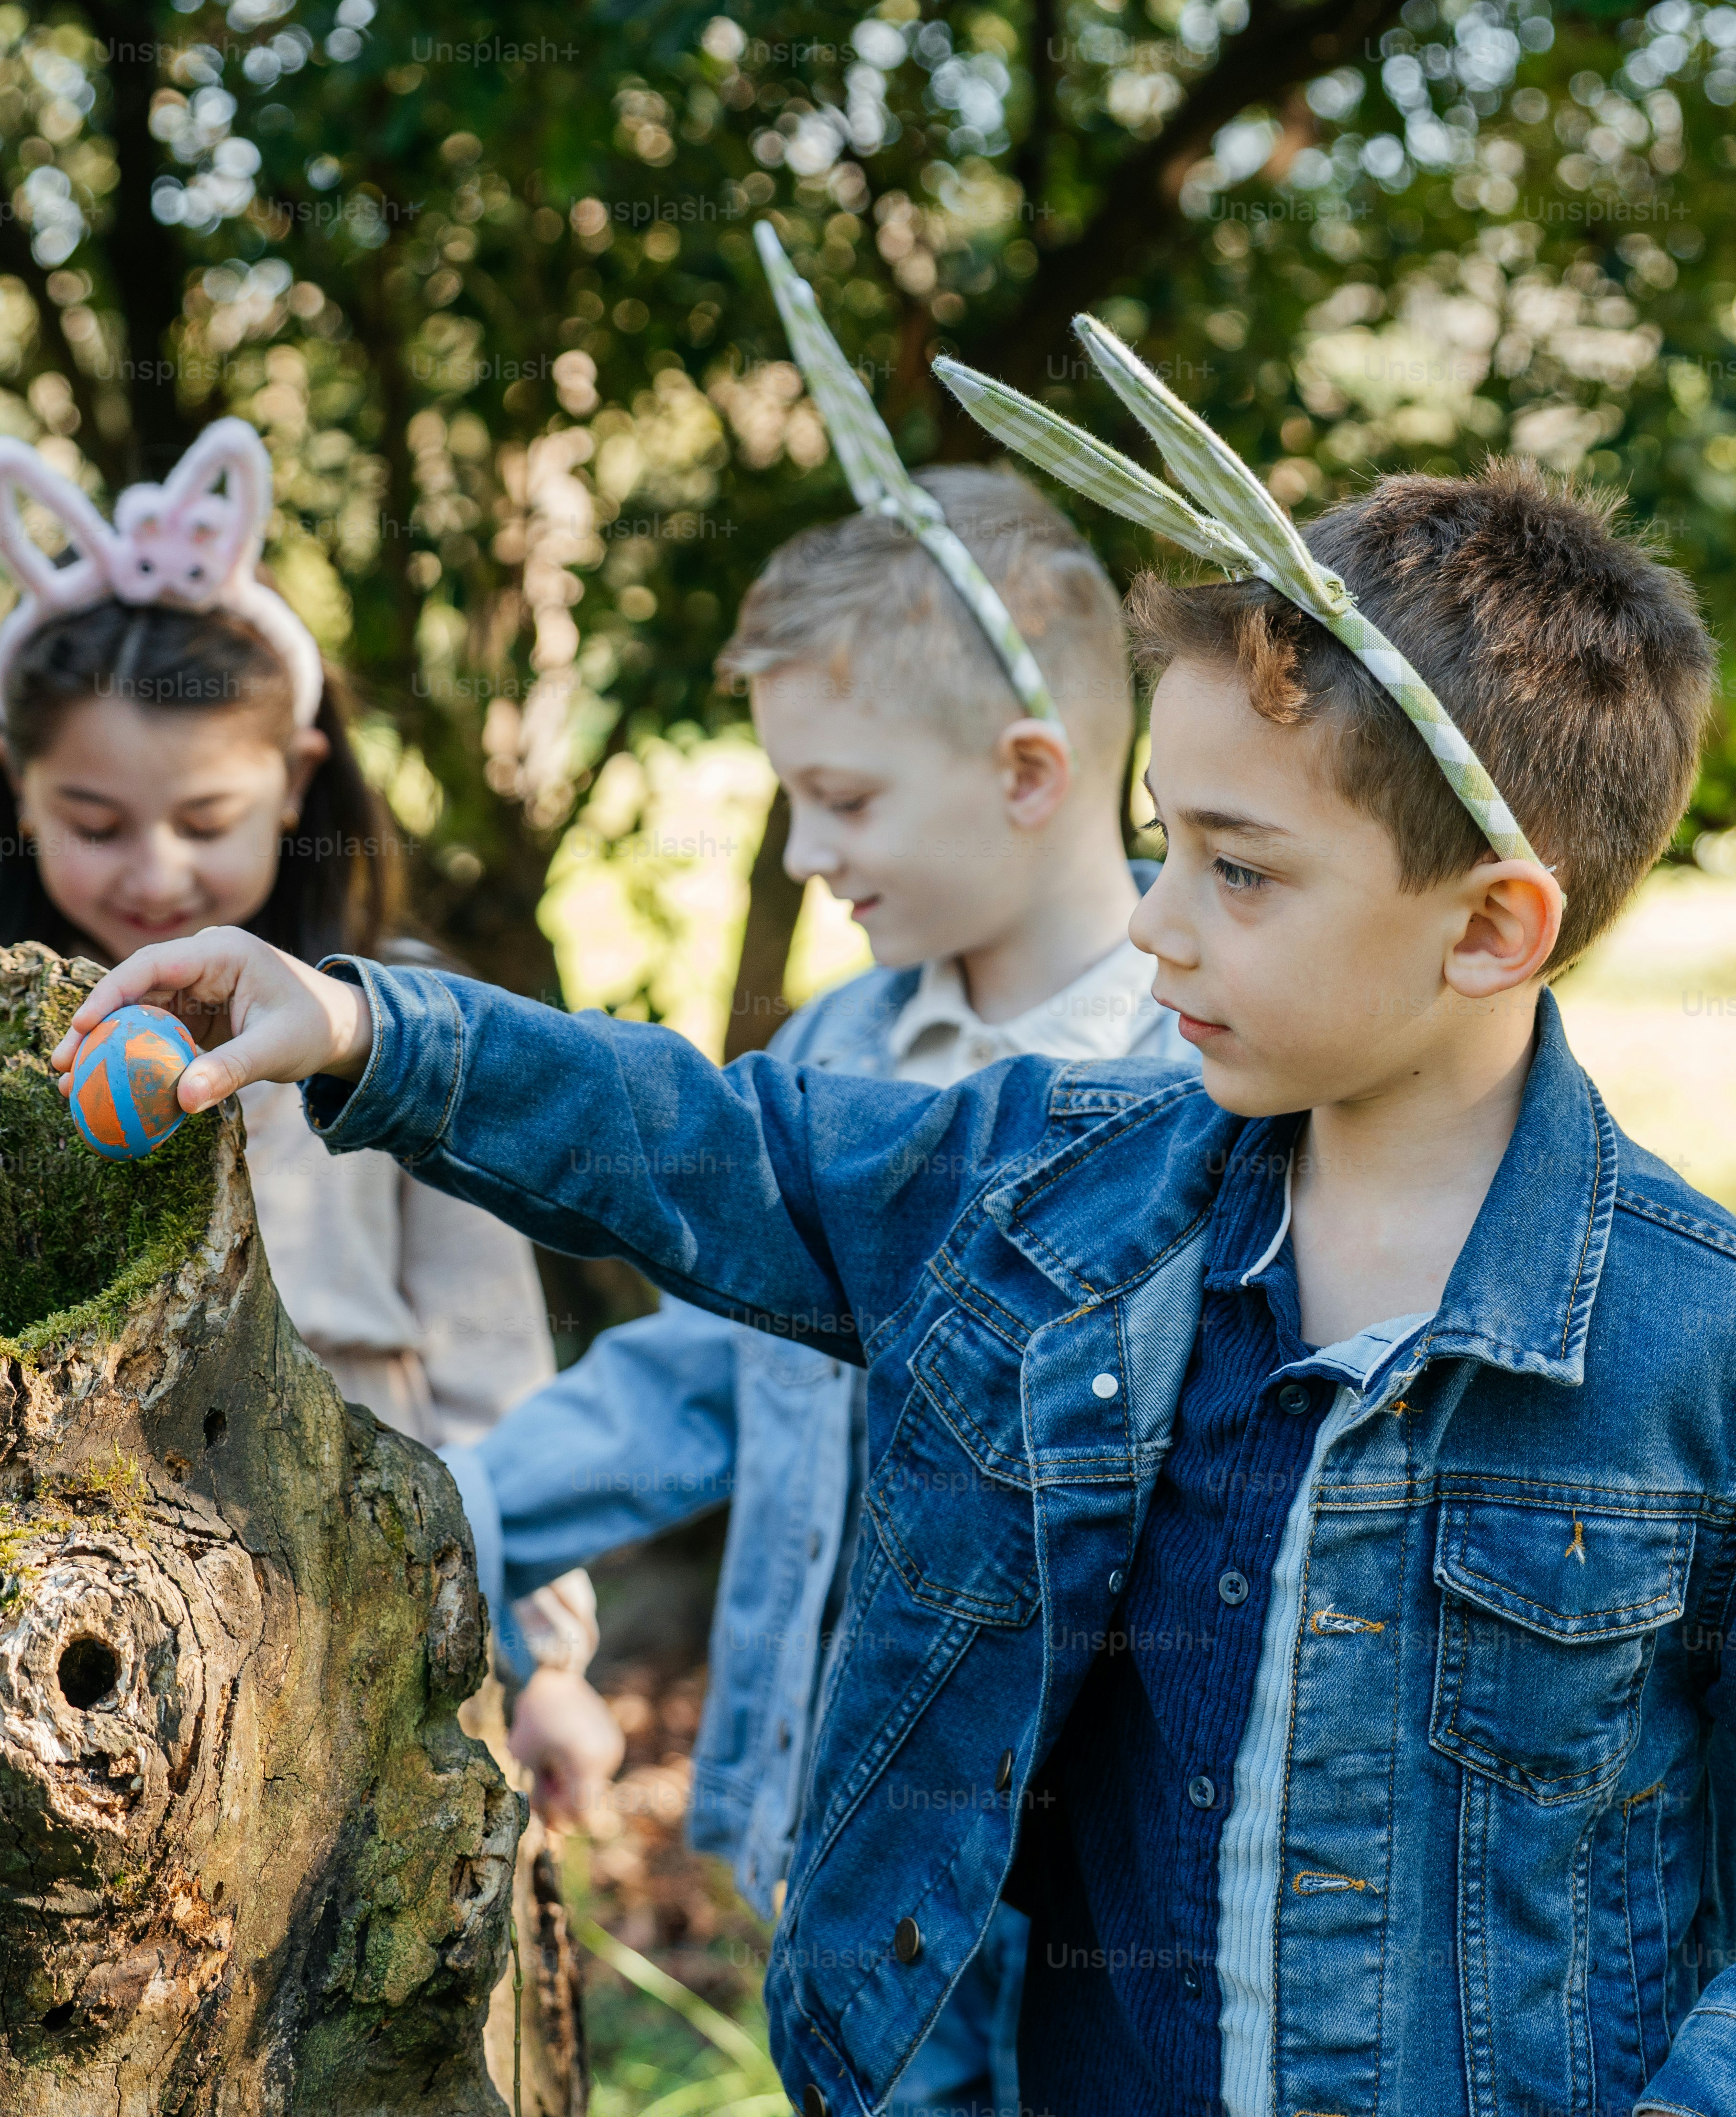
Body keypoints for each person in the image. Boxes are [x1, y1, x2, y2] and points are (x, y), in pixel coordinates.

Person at [46, 389, 1736, 2112]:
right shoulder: (1051, 1188)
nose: (1161, 920)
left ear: (1491, 928)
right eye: (1164, 839)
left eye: (1241, 869)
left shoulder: (1730, 1357)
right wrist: (375, 1029)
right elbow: (727, 1143)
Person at [459, 455, 1186, 2116]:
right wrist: (458, 1510)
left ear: (1026, 773)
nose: (801, 850)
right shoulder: (837, 1061)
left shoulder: (1204, 1074)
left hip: (1099, 1886)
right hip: (856, 1851)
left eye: (843, 800)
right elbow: (695, 1380)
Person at [0, 416, 597, 1609]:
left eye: (206, 820)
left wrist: (545, 1642)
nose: (156, 873)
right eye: (96, 824)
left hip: (363, 1574)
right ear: (15, 781)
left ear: (298, 778)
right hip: (52, 1600)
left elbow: (490, 1346)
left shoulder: (392, 1016)